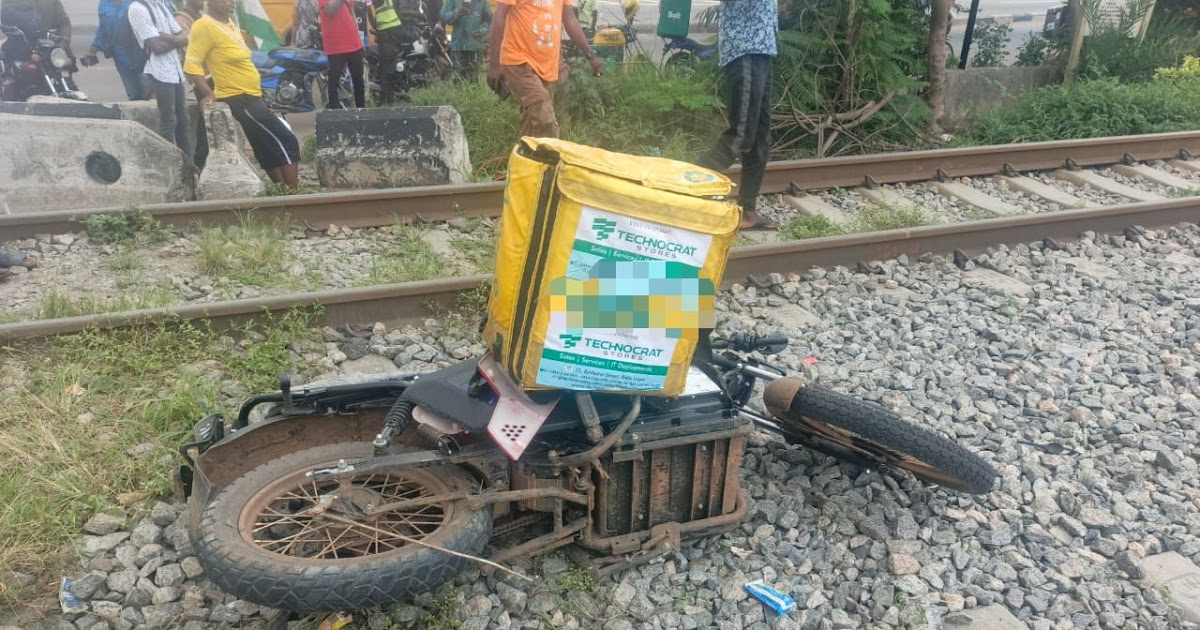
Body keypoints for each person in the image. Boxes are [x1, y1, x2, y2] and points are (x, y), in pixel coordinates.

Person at [184, 0, 301, 187]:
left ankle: (283, 192)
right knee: (287, 140)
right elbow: (192, 65)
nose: (229, 3)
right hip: (238, 97)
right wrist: (208, 93)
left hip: (251, 95)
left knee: (264, 145)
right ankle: (294, 195)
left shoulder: (229, 24)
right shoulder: (203, 26)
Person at [693, 0, 779, 230]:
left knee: (760, 138)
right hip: (744, 50)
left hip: (763, 50)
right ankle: (686, 189)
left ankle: (748, 211)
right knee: (741, 136)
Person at [486, 0, 601, 138]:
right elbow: (499, 15)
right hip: (518, 61)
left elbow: (569, 18)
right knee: (545, 119)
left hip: (546, 66)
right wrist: (494, 64)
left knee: (531, 126)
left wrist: (590, 55)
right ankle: (551, 157)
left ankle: (526, 156)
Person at [129, 0, 193, 164]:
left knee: (183, 119)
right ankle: (171, 165)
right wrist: (177, 40)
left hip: (175, 69)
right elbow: (157, 47)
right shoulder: (138, 8)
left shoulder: (160, 6)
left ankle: (189, 165)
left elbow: (184, 36)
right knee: (168, 120)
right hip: (158, 71)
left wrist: (169, 38)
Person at [84, 0, 150, 100]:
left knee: (149, 92)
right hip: (120, 57)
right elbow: (103, 28)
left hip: (142, 56)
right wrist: (93, 49)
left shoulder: (139, 2)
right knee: (133, 94)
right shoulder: (104, 3)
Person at [174, 0, 208, 168]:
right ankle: (200, 161)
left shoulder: (198, 16)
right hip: (202, 77)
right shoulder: (182, 19)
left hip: (209, 74)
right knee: (205, 125)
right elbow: (189, 49)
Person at [318, 0, 365, 108]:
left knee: (358, 81)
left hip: (353, 42)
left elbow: (351, 12)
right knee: (334, 82)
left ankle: (361, 111)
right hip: (336, 45)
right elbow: (330, 10)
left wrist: (359, 38)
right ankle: (334, 113)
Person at [440, 0, 489, 81]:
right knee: (458, 79)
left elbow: (488, 20)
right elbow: (444, 16)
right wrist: (457, 13)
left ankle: (473, 93)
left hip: (474, 46)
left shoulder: (481, 2)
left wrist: (481, 30)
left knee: (473, 80)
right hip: (458, 46)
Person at [372, 0, 404, 102]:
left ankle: (385, 99)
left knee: (389, 69)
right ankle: (389, 101)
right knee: (388, 72)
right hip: (386, 35)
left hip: (392, 34)